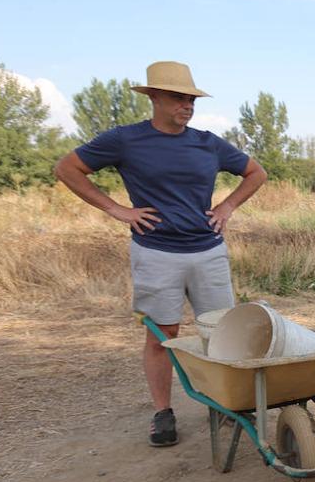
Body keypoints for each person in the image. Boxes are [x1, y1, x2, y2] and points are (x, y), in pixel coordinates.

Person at [55, 61, 267, 447]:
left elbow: (257, 173)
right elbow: (67, 168)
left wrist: (227, 207)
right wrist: (117, 209)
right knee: (161, 335)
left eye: (190, 99)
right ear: (153, 97)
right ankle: (162, 413)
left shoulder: (208, 143)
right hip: (156, 253)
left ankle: (225, 405)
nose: (186, 105)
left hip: (208, 252)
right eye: (176, 97)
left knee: (219, 330)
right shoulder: (125, 140)